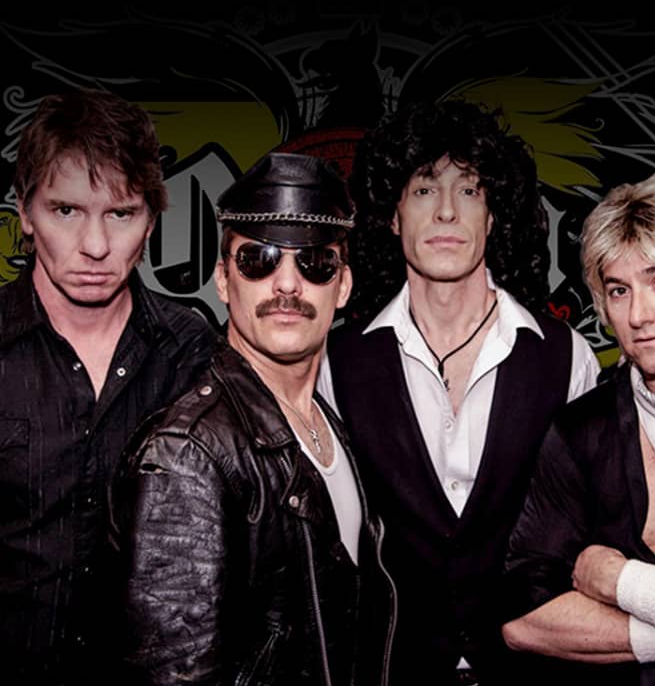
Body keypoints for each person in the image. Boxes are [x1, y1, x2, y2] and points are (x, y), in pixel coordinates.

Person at [317, 98, 600, 685]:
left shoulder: (564, 355)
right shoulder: (335, 363)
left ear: (493, 216)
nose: (446, 211)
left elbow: (586, 535)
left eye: (469, 190)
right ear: (393, 216)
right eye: (424, 190)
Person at [109, 151, 396, 685]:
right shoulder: (187, 454)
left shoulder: (329, 424)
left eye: (315, 263)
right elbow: (177, 672)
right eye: (259, 259)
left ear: (343, 286)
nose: (287, 285)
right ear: (223, 280)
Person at [0, 88, 221, 686]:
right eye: (66, 210)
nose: (95, 247)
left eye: (120, 214)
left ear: (151, 220)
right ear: (25, 212)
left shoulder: (192, 351)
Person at [502, 171, 655, 683]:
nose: (638, 314)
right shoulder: (580, 428)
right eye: (619, 290)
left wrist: (619, 581)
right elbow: (523, 619)